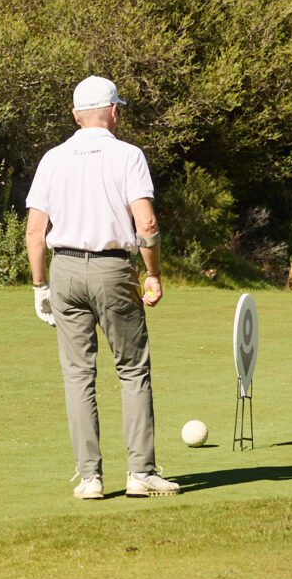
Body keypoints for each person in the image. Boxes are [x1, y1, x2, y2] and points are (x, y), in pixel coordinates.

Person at [25, 75, 179, 500]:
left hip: (64, 270)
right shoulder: (128, 155)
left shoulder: (53, 158)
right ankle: (140, 473)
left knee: (78, 375)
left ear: (76, 115)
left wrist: (40, 286)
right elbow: (146, 222)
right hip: (113, 270)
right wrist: (152, 273)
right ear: (114, 112)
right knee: (132, 369)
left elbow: (35, 232)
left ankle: (90, 478)